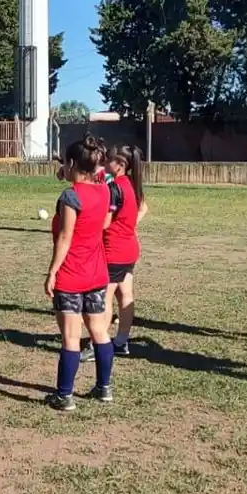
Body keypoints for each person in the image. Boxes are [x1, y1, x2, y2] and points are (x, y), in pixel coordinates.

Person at [44, 136, 116, 411]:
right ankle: (104, 388)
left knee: (71, 338)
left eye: (65, 161)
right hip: (97, 274)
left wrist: (52, 272)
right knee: (99, 331)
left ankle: (65, 396)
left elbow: (65, 237)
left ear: (72, 163)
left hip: (71, 275)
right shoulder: (104, 191)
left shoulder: (70, 197)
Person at [104, 145, 147, 357]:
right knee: (125, 295)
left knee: (104, 298)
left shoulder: (114, 188)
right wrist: (129, 226)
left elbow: (104, 223)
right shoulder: (131, 184)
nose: (105, 162)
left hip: (114, 251)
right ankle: (121, 342)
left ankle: (98, 344)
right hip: (129, 248)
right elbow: (143, 207)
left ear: (120, 165)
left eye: (108, 159)